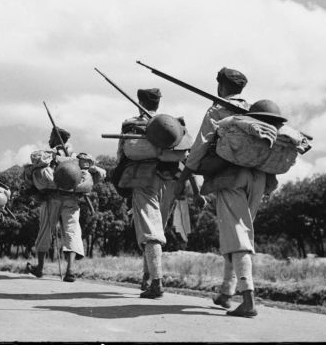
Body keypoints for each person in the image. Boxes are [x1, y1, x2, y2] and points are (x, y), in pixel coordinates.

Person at [174, 68, 282, 318]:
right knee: (237, 234)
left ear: (221, 86)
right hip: (259, 178)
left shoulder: (217, 110)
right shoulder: (255, 110)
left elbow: (200, 147)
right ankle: (226, 292)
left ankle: (248, 300)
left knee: (237, 237)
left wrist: (183, 178)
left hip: (232, 177)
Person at [114, 89, 197, 299]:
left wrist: (120, 180)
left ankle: (157, 282)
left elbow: (122, 154)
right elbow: (189, 158)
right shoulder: (173, 126)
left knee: (150, 231)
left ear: (139, 101)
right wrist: (195, 191)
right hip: (170, 181)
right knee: (155, 229)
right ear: (158, 103)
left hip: (143, 180)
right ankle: (147, 277)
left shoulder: (131, 123)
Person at [26, 128, 105, 281]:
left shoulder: (49, 155)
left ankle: (40, 268)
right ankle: (70, 270)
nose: (49, 140)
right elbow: (98, 173)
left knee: (45, 230)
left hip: (52, 198)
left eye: (51, 137)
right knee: (72, 231)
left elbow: (35, 163)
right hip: (72, 199)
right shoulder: (78, 157)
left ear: (56, 138)